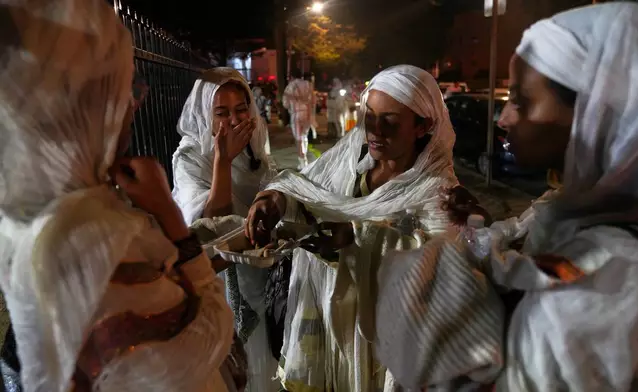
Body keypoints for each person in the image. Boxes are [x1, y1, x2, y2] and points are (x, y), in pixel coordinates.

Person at [376, 3, 638, 391]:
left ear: (592, 114)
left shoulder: (607, 282)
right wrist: (475, 229)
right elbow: (524, 251)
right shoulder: (567, 210)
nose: (503, 119)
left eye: (520, 100)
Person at [0, 0, 234, 391]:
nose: (135, 105)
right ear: (86, 106)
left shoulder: (37, 210)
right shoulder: (93, 237)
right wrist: (173, 222)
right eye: (126, 88)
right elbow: (210, 335)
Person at [245, 65, 462, 391]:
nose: (374, 129)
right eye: (369, 115)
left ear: (423, 125)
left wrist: (358, 238)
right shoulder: (351, 153)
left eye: (389, 120)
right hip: (327, 318)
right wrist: (274, 200)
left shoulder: (438, 189)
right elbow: (304, 188)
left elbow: (442, 266)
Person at [171, 67, 280, 392]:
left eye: (241, 109)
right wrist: (222, 160)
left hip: (261, 268)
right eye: (221, 112)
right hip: (218, 275)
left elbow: (270, 184)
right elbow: (209, 227)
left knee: (264, 361)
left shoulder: (254, 144)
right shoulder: (190, 156)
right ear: (205, 113)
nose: (234, 120)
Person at [283, 70, 316, 169]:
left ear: (292, 76)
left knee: (298, 138)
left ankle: (302, 161)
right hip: (306, 113)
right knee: (304, 136)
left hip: (296, 114)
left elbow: (285, 103)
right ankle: (304, 158)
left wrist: (290, 106)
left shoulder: (291, 86)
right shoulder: (308, 84)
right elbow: (313, 101)